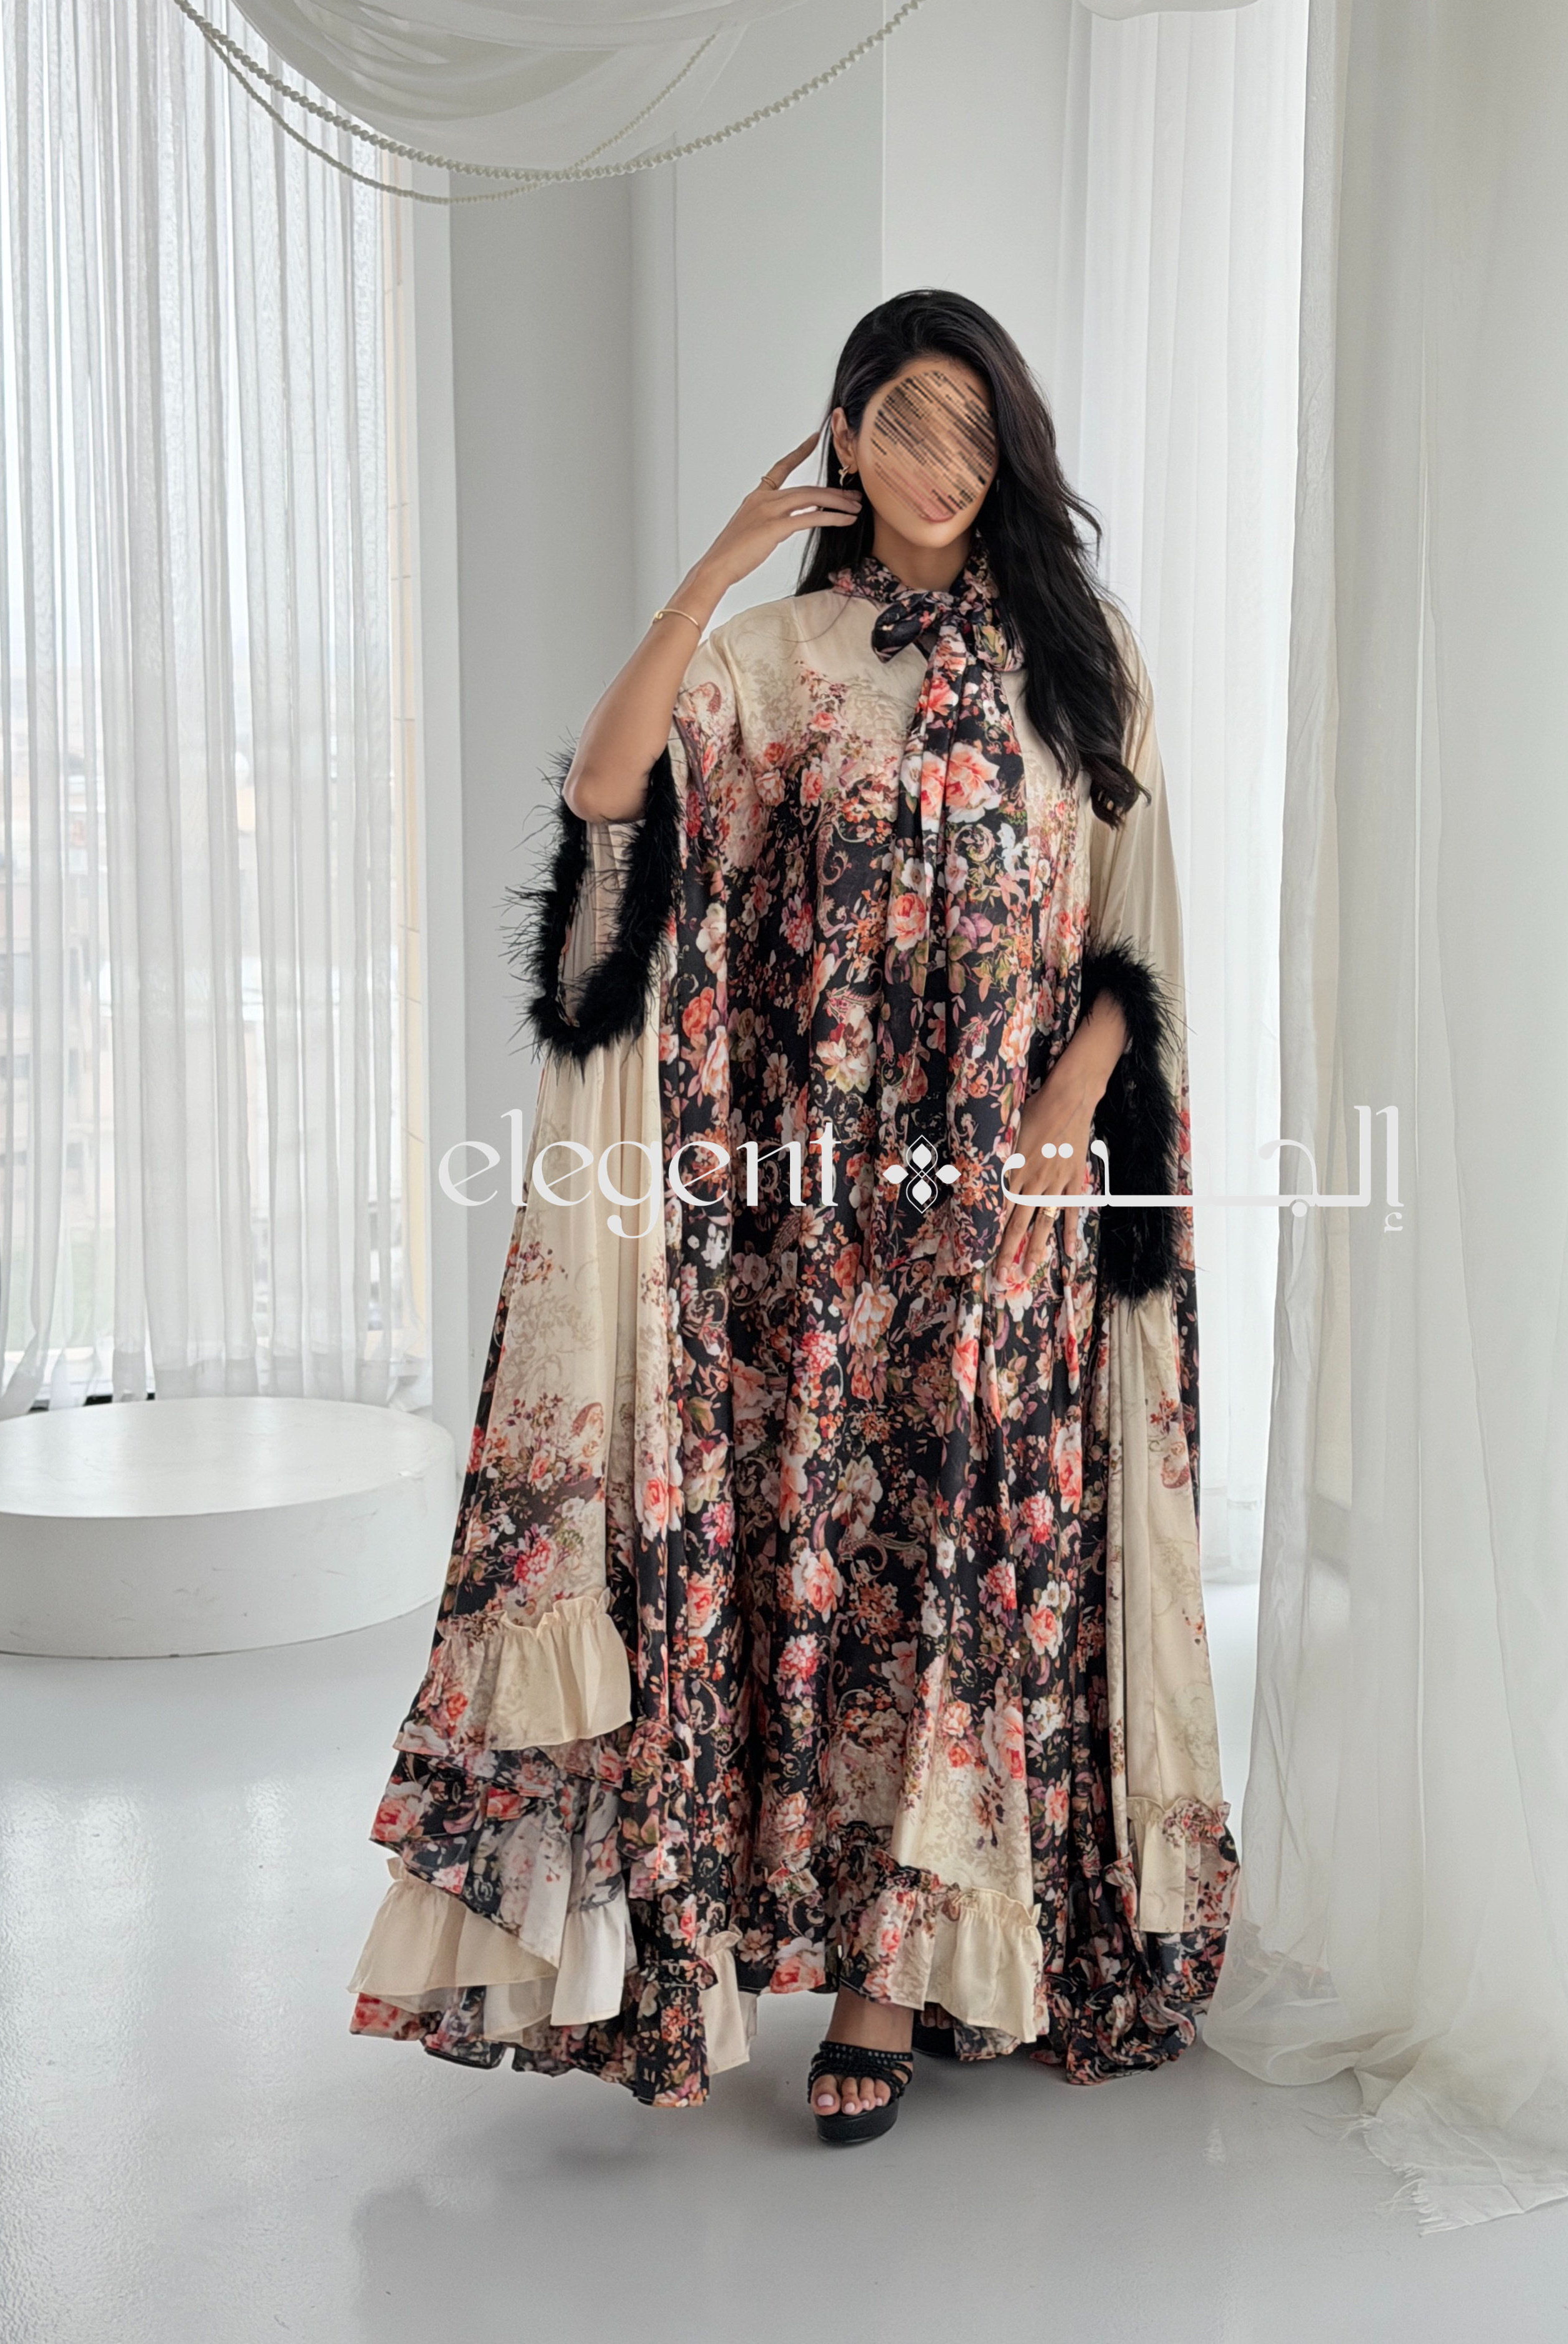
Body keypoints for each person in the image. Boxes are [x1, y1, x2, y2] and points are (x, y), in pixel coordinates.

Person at [346, 289, 1238, 2145]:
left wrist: (1064, 1122)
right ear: (843, 433)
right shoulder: (772, 661)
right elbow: (607, 802)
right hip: (810, 1225)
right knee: (827, 1562)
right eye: (904, 422)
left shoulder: (1083, 663)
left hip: (1005, 1210)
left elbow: (1131, 933)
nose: (938, 464)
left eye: (973, 431)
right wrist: (716, 568)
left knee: (970, 1562)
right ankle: (809, 1931)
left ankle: (893, 1981)